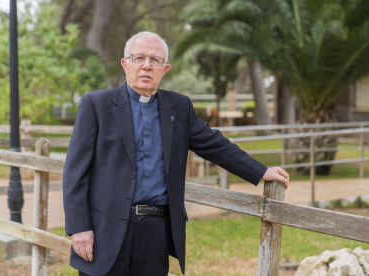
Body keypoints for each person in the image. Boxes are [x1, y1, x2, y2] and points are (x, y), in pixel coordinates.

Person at [62, 31, 290, 276]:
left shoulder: (179, 107)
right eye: (139, 58)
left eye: (155, 60)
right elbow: (75, 173)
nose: (147, 66)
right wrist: (79, 228)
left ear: (165, 69)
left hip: (156, 232)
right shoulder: (96, 105)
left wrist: (261, 170)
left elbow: (215, 145)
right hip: (104, 229)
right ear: (125, 63)